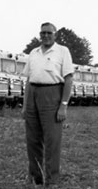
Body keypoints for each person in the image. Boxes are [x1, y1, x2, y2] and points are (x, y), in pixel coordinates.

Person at [21, 22, 74, 186]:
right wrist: (25, 105)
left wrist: (63, 104)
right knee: (32, 139)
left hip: (52, 95)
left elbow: (68, 79)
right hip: (33, 96)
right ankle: (36, 177)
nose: (45, 36)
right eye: (43, 33)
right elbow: (29, 80)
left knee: (52, 140)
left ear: (55, 35)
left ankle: (52, 180)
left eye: (49, 33)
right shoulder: (33, 53)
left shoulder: (62, 51)